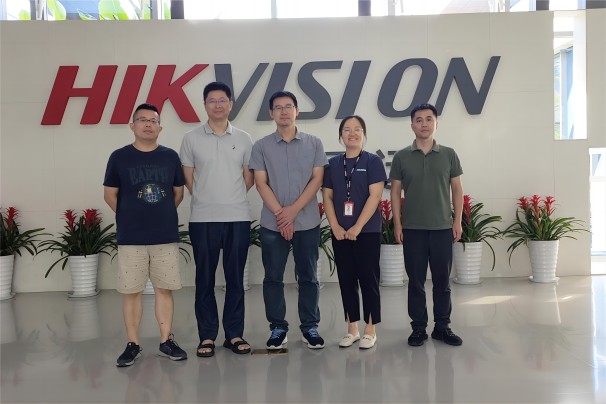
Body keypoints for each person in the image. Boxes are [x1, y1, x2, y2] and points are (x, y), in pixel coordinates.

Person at [104, 103, 188, 367]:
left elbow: (178, 193)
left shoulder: (170, 157)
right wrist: (131, 215)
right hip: (131, 237)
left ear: (160, 127)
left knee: (164, 289)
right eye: (142, 120)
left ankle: (166, 341)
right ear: (132, 125)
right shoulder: (119, 157)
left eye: (153, 120)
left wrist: (158, 215)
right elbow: (110, 194)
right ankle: (133, 344)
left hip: (164, 235)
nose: (148, 124)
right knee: (132, 292)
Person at [249, 90, 328, 350]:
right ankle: (278, 328)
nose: (284, 111)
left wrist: (292, 211)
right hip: (273, 223)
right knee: (273, 277)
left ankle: (310, 327)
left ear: (297, 111)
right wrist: (282, 216)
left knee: (308, 276)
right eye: (278, 107)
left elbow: (317, 179)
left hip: (307, 222)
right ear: (271, 113)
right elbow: (261, 183)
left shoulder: (314, 143)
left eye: (288, 106)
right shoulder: (261, 146)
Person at [179, 82, 254, 357]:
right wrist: (207, 197)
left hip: (237, 218)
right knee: (204, 279)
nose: (218, 105)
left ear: (230, 104)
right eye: (212, 100)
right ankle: (207, 336)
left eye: (223, 100)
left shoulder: (244, 138)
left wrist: (230, 198)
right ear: (205, 105)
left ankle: (234, 334)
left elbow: (248, 178)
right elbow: (189, 179)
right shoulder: (191, 138)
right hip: (203, 219)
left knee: (235, 279)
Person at [389, 103, 464, 347]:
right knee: (416, 282)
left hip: (442, 228)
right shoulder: (401, 157)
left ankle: (442, 327)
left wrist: (457, 221)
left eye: (429, 119)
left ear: (436, 124)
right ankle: (418, 328)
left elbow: (457, 189)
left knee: (442, 282)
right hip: (413, 230)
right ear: (412, 125)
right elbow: (395, 192)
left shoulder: (449, 154)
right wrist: (397, 224)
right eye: (419, 120)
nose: (424, 124)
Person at [322, 115, 386, 349]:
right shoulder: (332, 164)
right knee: (346, 280)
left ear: (364, 134)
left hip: (367, 231)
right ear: (341, 135)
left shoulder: (373, 161)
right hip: (340, 233)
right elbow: (327, 197)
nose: (352, 133)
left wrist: (357, 226)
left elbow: (375, 196)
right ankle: (352, 329)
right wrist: (335, 226)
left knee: (369, 279)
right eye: (347, 129)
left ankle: (370, 329)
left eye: (357, 129)